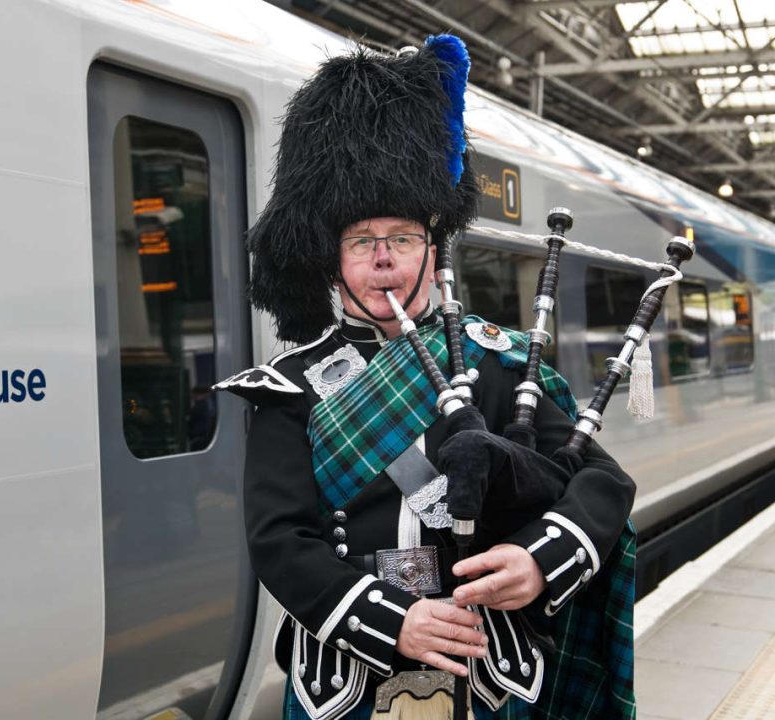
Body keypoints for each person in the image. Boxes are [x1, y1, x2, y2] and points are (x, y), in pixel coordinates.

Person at [214, 37, 637, 720]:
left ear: (433, 248)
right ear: (332, 260)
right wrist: (393, 622)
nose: (383, 260)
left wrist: (537, 561)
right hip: (347, 680)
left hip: (489, 670)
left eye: (403, 238)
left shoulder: (498, 364)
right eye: (361, 242)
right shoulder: (289, 389)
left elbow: (603, 482)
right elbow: (279, 539)